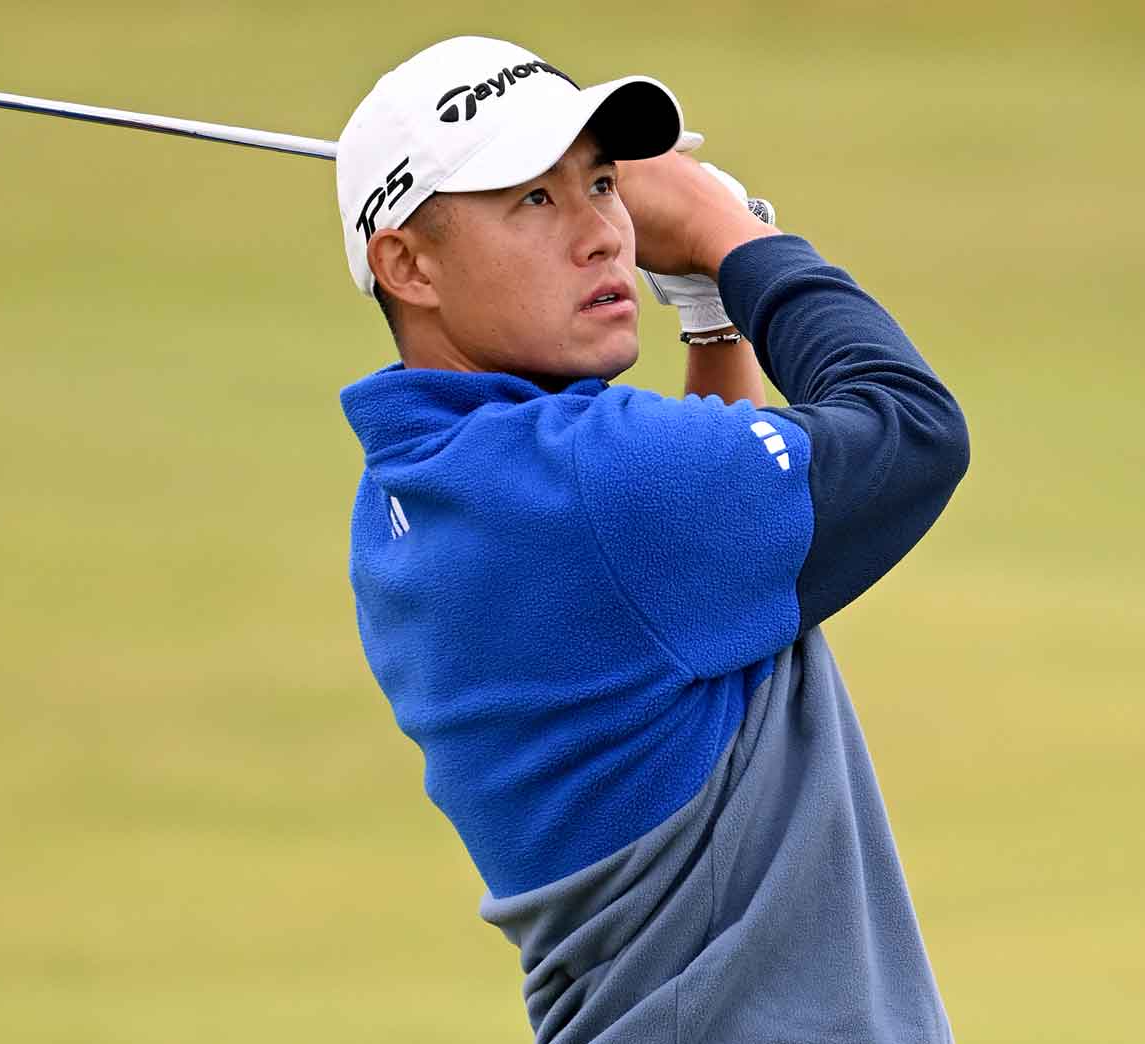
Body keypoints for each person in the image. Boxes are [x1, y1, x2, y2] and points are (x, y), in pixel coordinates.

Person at [335, 35, 968, 1044]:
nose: (601, 237)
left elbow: (695, 579)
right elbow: (911, 430)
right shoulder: (593, 485)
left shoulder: (418, 493)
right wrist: (732, 241)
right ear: (405, 263)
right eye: (532, 201)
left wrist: (715, 325)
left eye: (598, 184)